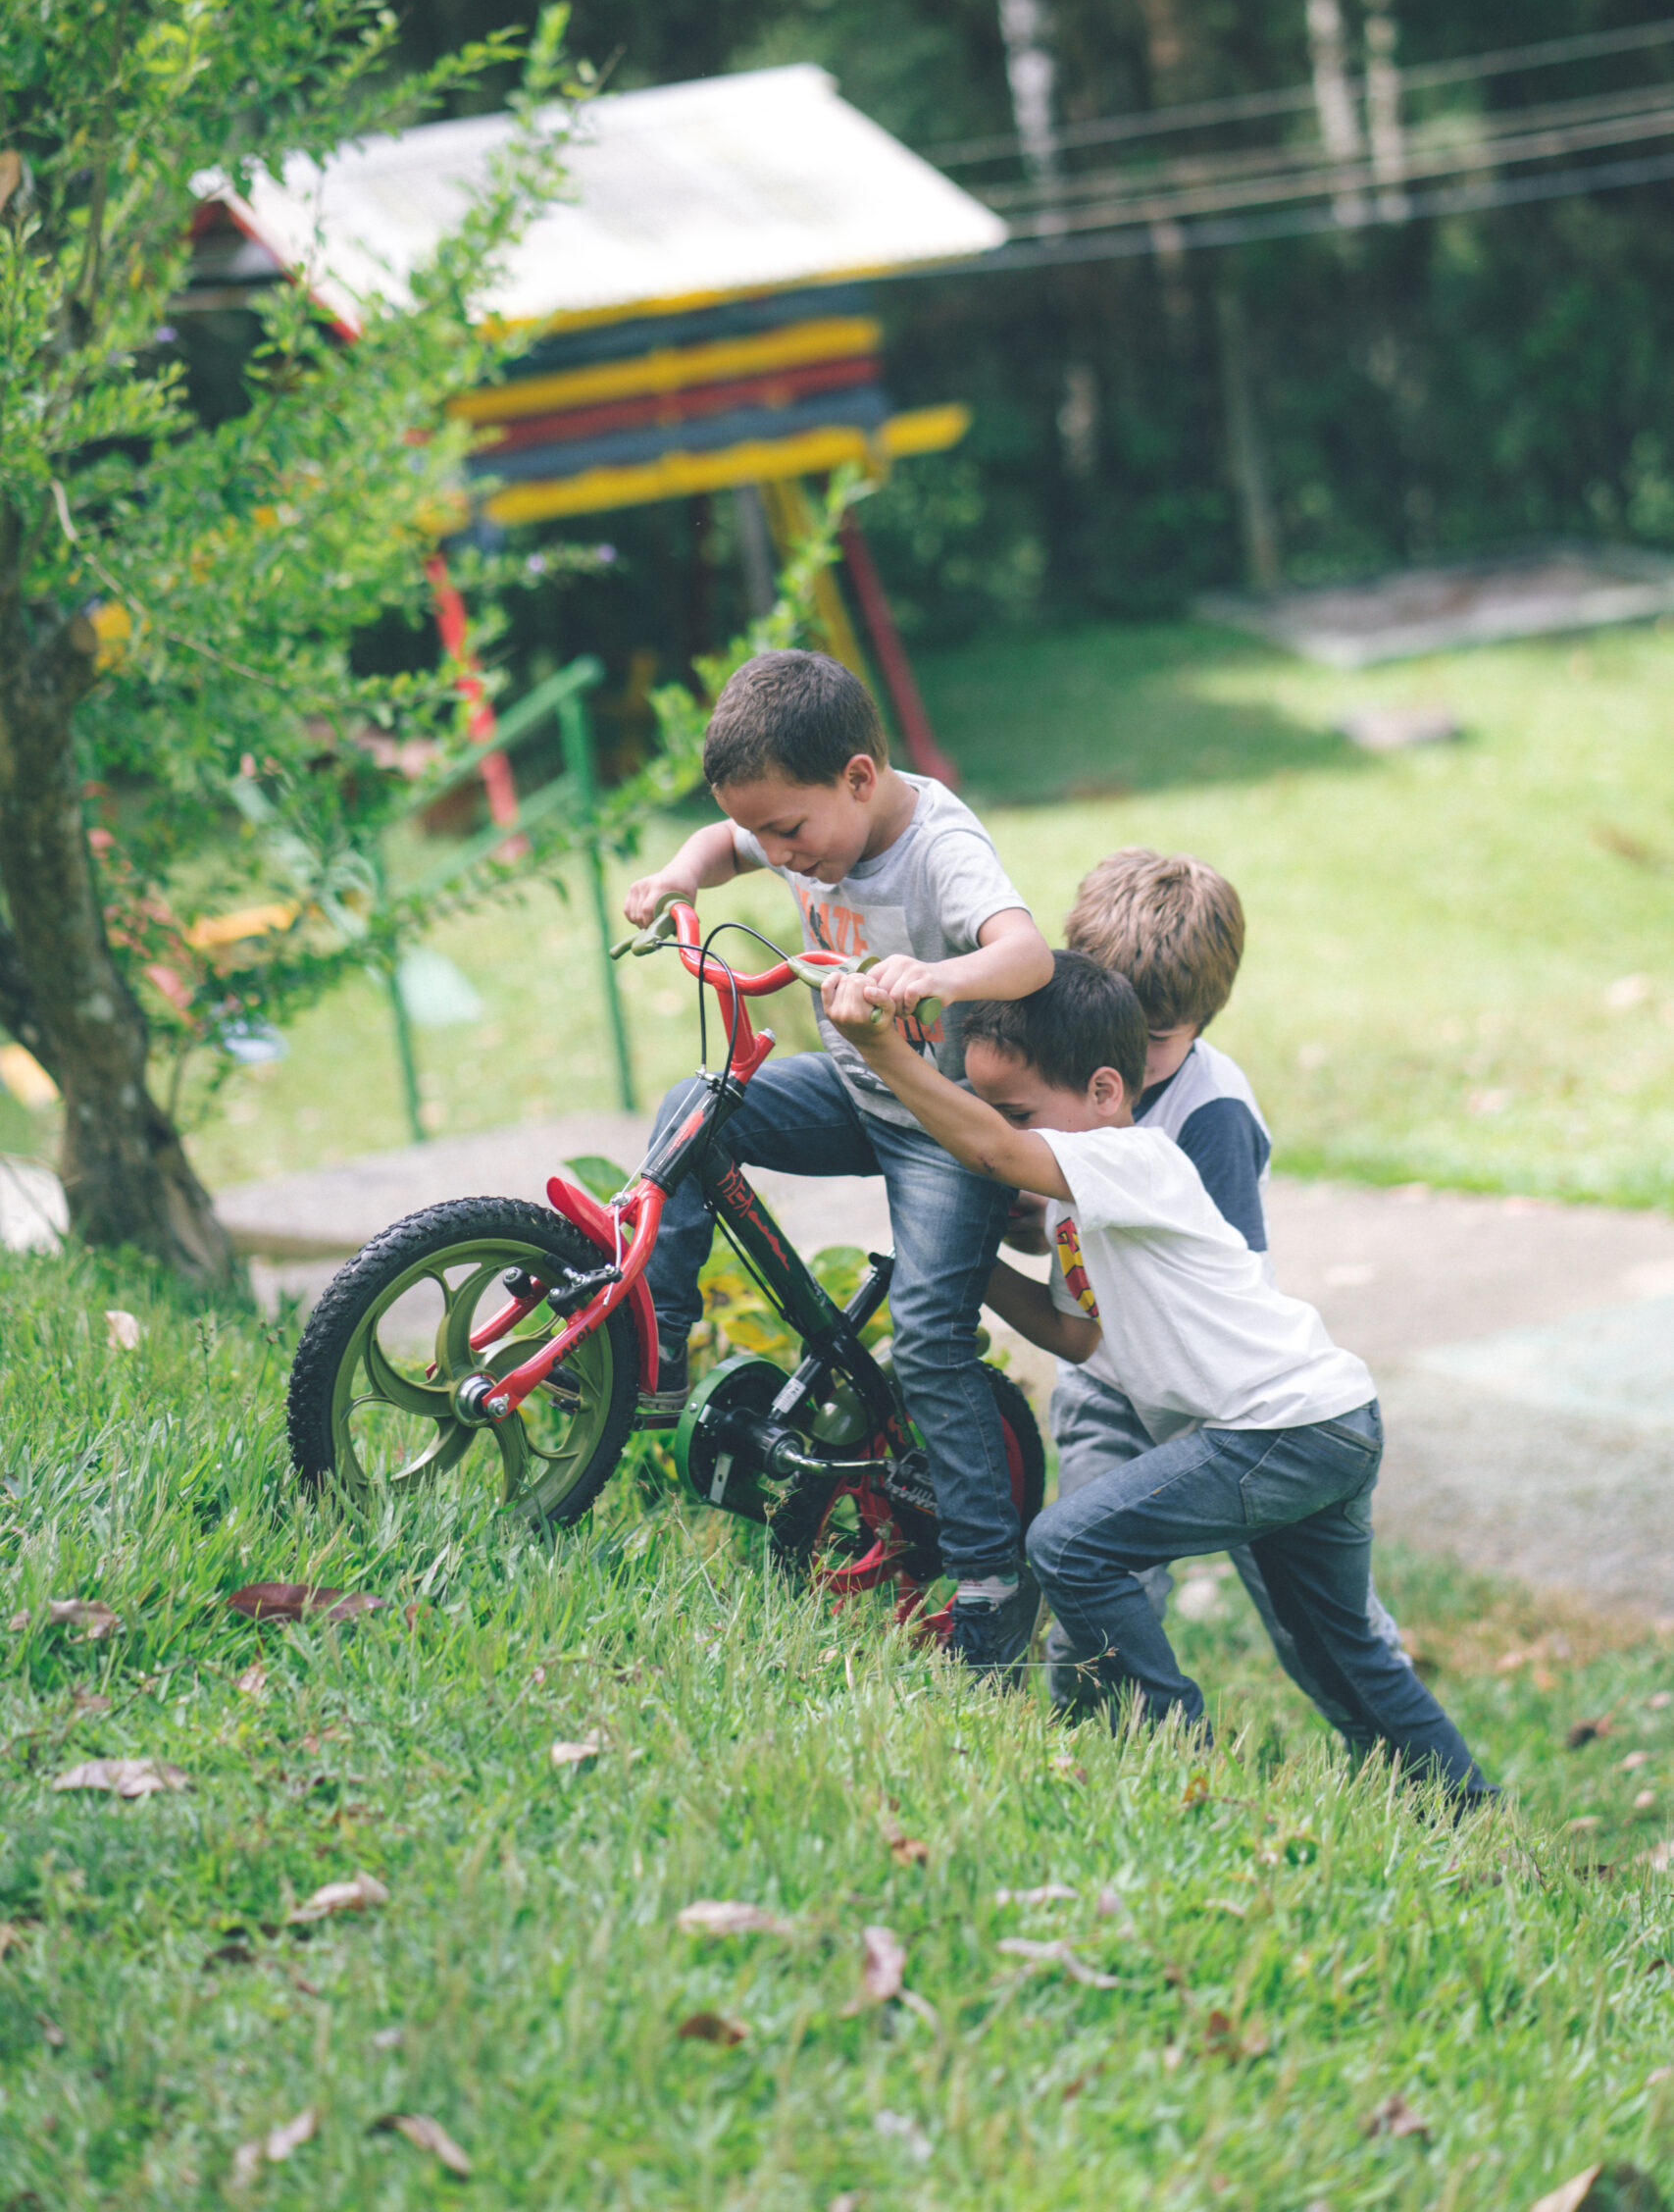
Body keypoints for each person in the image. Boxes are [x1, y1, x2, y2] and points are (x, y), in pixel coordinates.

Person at [820, 951, 1493, 1797]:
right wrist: (965, 1263)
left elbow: (992, 1155)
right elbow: (1081, 1339)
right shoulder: (1081, 1202)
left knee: (1068, 1546)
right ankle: (1467, 1814)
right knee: (1341, 1648)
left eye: (1018, 1111)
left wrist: (886, 1054)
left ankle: (1182, 1756)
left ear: (1105, 1092)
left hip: (1281, 1427)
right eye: (992, 1107)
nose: (1000, 1126)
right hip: (1325, 1423)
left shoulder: (1133, 1160)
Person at [623, 648, 1055, 1675]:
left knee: (935, 1336)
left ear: (860, 778)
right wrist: (682, 875)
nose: (776, 851)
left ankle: (993, 1579)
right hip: (852, 1094)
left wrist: (936, 974)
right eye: (762, 830)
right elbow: (720, 841)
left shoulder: (939, 846)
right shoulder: (793, 814)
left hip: (944, 1126)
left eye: (790, 831)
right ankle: (655, 1351)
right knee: (697, 1110)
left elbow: (1027, 952)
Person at [1032, 848, 1409, 1721]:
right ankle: (1081, 1751)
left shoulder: (1211, 1112)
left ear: (1203, 1017)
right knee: (1090, 1580)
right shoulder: (1067, 1067)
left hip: (1227, 1413)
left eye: (1151, 1038)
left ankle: (1416, 1772)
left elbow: (1220, 1277)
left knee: (1314, 1624)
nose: (1121, 1055)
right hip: (1106, 1386)